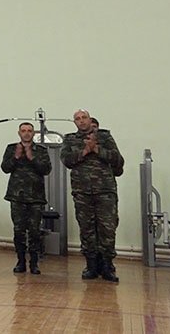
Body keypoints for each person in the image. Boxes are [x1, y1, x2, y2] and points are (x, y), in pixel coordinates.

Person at [61, 110, 123, 283]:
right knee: (86, 229)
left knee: (107, 229)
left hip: (105, 190)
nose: (81, 121)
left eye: (84, 118)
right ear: (74, 122)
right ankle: (91, 265)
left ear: (90, 120)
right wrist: (85, 151)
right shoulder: (70, 139)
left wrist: (96, 148)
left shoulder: (105, 137)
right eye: (77, 119)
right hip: (82, 191)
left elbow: (118, 160)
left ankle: (108, 266)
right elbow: (66, 160)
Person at [1, 122, 51, 274]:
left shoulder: (41, 150)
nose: (27, 133)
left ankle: (34, 263)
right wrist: (16, 157)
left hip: (35, 197)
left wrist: (32, 157)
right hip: (17, 196)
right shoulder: (11, 148)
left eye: (29, 131)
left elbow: (46, 169)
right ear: (19, 133)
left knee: (35, 232)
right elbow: (5, 168)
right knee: (19, 231)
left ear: (33, 133)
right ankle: (20, 261)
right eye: (24, 131)